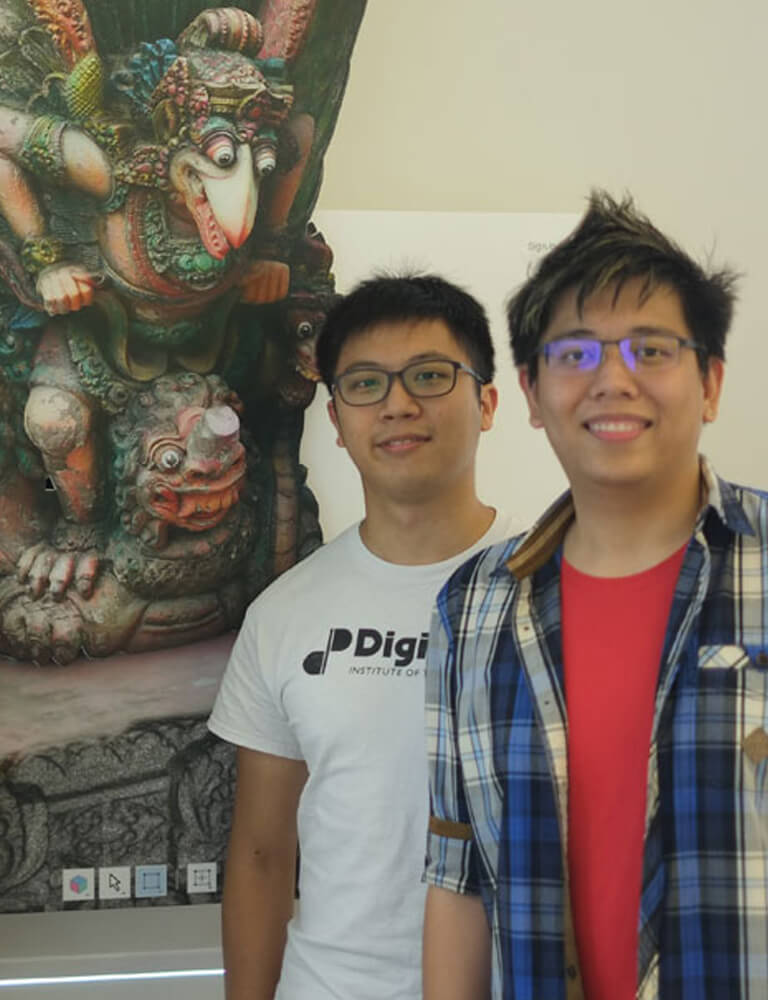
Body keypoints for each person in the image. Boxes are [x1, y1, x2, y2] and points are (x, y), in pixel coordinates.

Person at [422, 192, 764, 1000]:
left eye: (652, 350)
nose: (614, 379)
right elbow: (456, 878)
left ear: (711, 383)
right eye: (574, 354)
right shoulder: (472, 608)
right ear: (534, 397)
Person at [209, 273, 519, 999]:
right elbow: (260, 853)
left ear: (488, 403)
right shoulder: (286, 613)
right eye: (365, 384)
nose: (398, 404)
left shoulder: (553, 593)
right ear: (339, 422)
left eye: (430, 376)